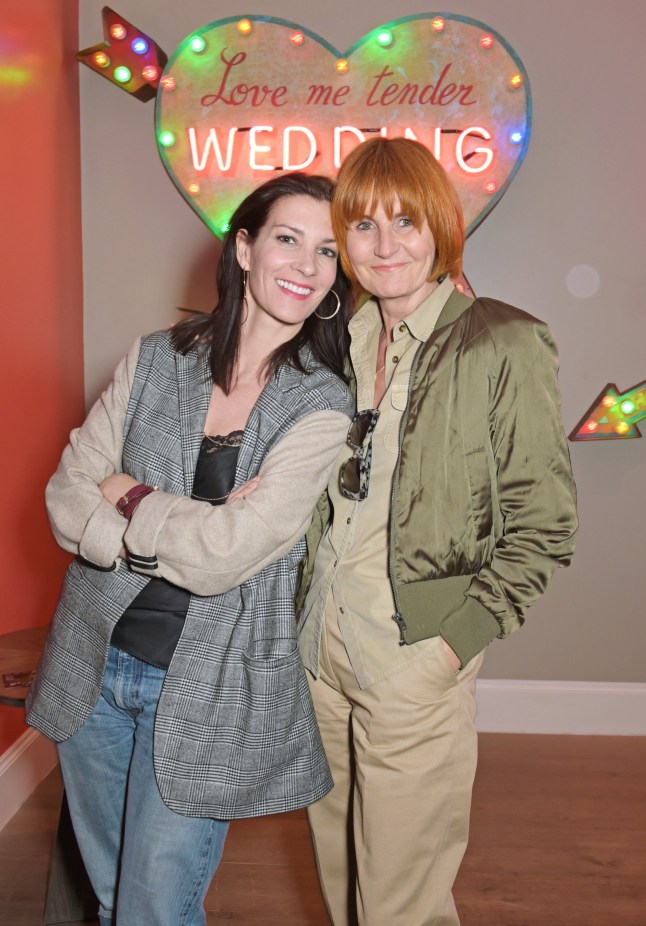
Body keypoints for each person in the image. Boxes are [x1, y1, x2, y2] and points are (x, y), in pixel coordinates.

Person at [26, 172, 355, 926]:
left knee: (153, 910)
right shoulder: (154, 359)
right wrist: (181, 522)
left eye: (328, 252)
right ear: (243, 248)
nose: (306, 265)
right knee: (112, 901)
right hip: (93, 666)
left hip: (208, 684)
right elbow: (64, 495)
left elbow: (223, 555)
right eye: (287, 238)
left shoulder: (323, 405)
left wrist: (130, 494)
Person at [295, 138, 578, 926]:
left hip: (412, 655)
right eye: (363, 226)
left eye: (407, 221)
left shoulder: (501, 340)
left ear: (443, 227)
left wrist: (452, 645)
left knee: (401, 904)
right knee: (338, 873)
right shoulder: (337, 343)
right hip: (319, 652)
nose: (385, 246)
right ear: (341, 240)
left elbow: (545, 524)